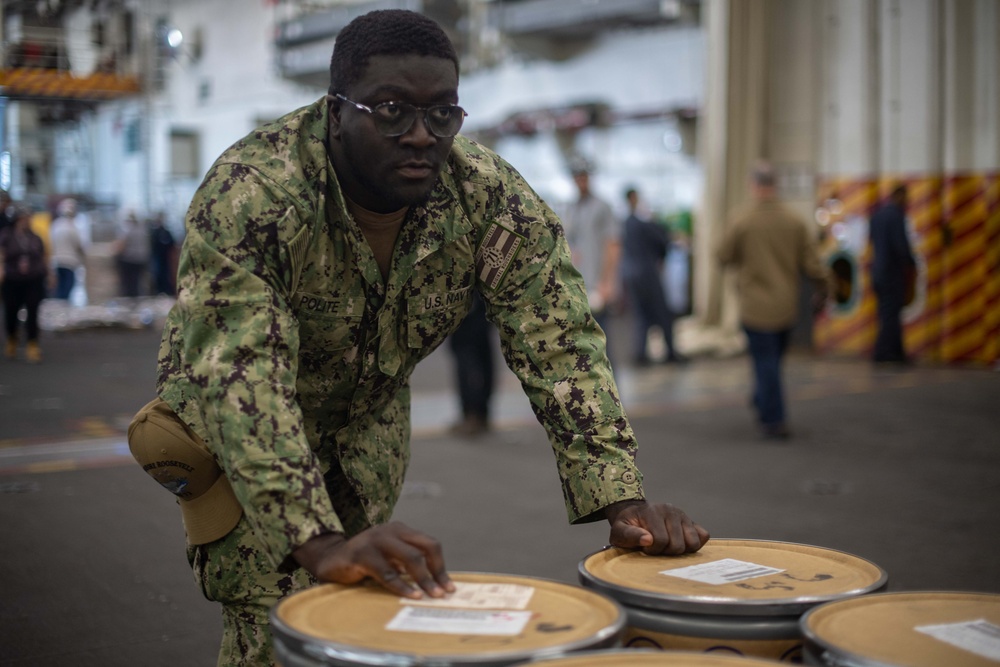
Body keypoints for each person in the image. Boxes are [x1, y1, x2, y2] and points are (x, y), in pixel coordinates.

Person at [127, 10, 708, 665]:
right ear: (337, 111)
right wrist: (316, 540)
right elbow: (244, 377)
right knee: (275, 624)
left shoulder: (487, 200)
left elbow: (561, 345)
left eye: (442, 114)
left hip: (367, 425)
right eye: (393, 110)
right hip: (236, 432)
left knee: (363, 616)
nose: (421, 136)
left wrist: (622, 502)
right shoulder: (256, 194)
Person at [716, 161, 829, 439]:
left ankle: (774, 419)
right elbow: (813, 264)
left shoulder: (741, 219)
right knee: (773, 360)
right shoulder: (794, 221)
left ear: (754, 186)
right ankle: (763, 398)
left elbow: (722, 255)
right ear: (775, 185)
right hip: (786, 306)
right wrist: (825, 289)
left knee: (764, 361)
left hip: (754, 307)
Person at [562, 158, 621, 365]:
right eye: (577, 177)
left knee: (601, 342)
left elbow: (612, 245)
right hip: (576, 287)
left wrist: (608, 282)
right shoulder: (570, 209)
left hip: (597, 284)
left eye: (584, 176)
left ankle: (611, 392)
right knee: (580, 344)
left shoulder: (602, 207)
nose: (581, 181)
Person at [620, 187, 686, 366]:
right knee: (661, 312)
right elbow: (662, 240)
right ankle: (670, 352)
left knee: (640, 315)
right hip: (647, 273)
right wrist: (661, 257)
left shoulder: (624, 223)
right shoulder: (644, 221)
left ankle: (641, 354)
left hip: (631, 274)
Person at [868, 184, 916, 365]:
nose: (908, 201)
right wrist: (911, 263)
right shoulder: (896, 216)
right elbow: (900, 245)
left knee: (887, 313)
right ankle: (882, 353)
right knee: (891, 314)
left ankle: (897, 352)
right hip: (891, 274)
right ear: (899, 195)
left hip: (877, 272)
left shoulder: (877, 215)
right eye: (906, 197)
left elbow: (872, 241)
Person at [1, 204, 48, 363]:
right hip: (13, 279)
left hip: (32, 279)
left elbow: (43, 256)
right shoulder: (7, 235)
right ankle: (12, 340)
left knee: (33, 311)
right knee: (11, 311)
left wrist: (49, 274)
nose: (26, 221)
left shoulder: (35, 237)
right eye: (23, 218)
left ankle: (32, 344)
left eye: (28, 218)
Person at [447, 291, 495, 437]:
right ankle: (481, 413)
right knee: (482, 354)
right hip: (485, 297)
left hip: (466, 299)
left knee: (467, 357)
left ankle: (472, 414)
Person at [48, 198, 87, 301]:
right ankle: (62, 313)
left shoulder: (55, 225)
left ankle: (59, 309)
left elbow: (51, 244)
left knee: (59, 288)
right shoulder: (72, 227)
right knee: (66, 290)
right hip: (70, 263)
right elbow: (79, 245)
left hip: (57, 262)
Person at [113, 211, 150, 297]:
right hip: (141, 259)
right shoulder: (143, 230)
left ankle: (131, 298)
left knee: (129, 282)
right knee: (138, 281)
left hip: (130, 259)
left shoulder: (128, 229)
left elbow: (122, 244)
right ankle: (137, 296)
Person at [149, 211, 177, 296]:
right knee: (157, 275)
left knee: (166, 275)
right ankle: (158, 292)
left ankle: (166, 291)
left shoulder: (166, 232)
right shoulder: (154, 232)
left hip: (166, 259)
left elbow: (172, 244)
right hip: (157, 258)